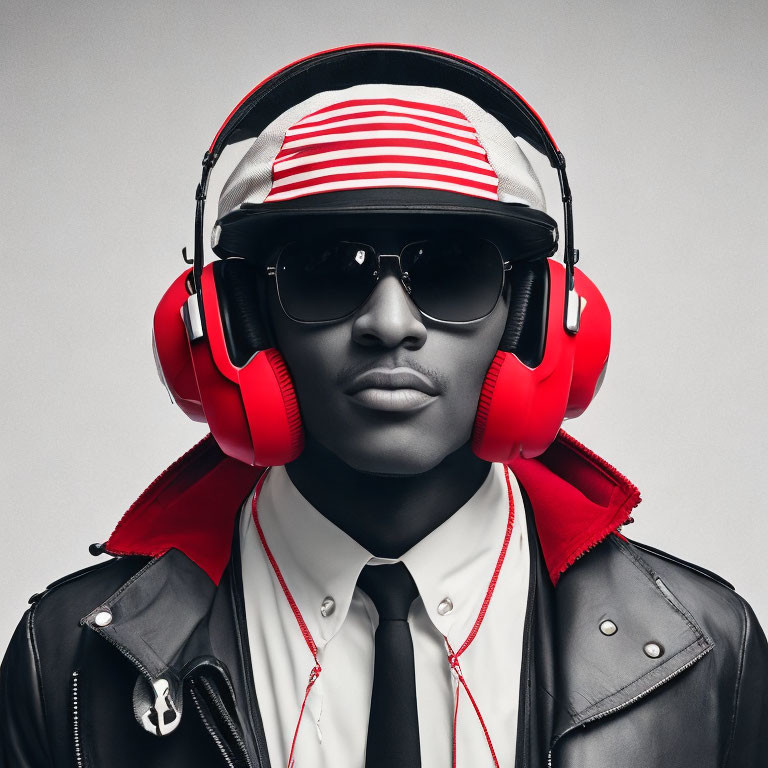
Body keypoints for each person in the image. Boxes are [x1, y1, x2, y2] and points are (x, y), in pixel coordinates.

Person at [1, 43, 766, 768]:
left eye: (455, 271)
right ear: (233, 326)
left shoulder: (709, 649)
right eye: (327, 270)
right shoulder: (65, 660)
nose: (390, 324)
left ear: (543, 322)